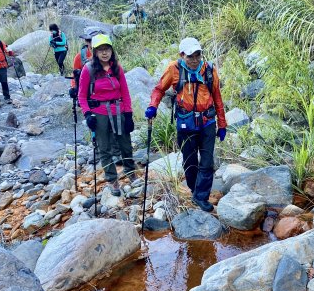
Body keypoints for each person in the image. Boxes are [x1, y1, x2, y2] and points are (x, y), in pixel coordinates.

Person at [146, 37, 227, 212]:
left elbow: (218, 98)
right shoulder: (174, 69)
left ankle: (201, 197)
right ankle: (194, 189)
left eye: (198, 55)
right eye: (190, 56)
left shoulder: (209, 70)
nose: (195, 59)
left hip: (207, 122)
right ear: (182, 55)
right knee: (190, 162)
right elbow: (159, 89)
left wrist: (222, 124)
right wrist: (153, 106)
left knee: (207, 162)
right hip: (185, 123)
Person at [77, 34, 135, 196]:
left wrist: (129, 114)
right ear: (94, 51)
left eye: (107, 49)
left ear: (111, 50)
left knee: (125, 144)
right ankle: (112, 179)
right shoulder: (88, 70)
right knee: (104, 147)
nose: (104, 53)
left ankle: (131, 174)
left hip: (119, 110)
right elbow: (82, 96)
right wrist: (88, 114)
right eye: (101, 50)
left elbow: (125, 92)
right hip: (99, 113)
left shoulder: (117, 67)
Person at [69, 27, 123, 166]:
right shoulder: (79, 57)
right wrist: (73, 88)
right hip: (88, 93)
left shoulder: (105, 55)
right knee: (94, 122)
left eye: (90, 40)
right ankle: (99, 148)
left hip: (100, 93)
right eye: (87, 40)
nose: (88, 42)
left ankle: (115, 151)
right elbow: (75, 74)